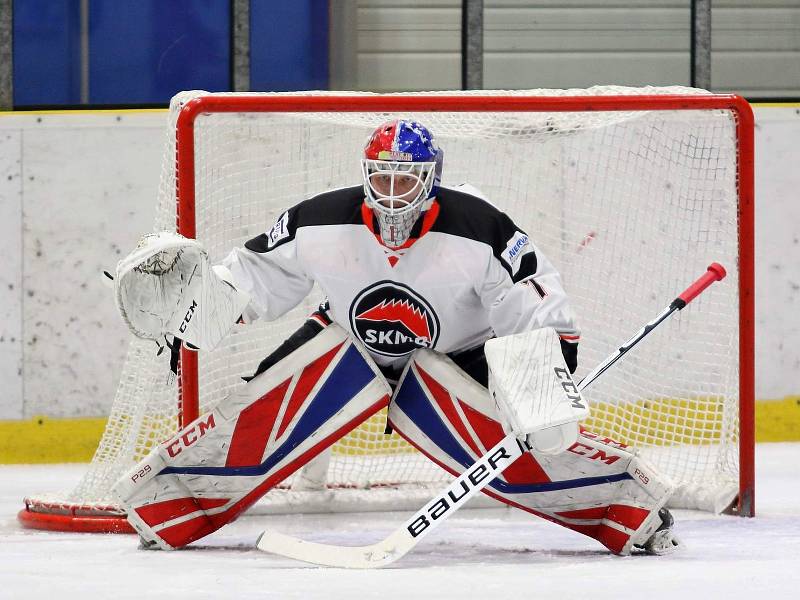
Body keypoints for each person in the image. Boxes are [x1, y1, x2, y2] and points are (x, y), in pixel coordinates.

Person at [114, 119, 679, 556]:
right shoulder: (320, 218)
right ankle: (167, 507)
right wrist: (207, 302)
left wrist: (544, 390)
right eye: (381, 178)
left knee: (529, 446)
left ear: (430, 177)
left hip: (455, 355)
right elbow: (257, 275)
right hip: (347, 343)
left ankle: (630, 510)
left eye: (404, 178)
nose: (391, 191)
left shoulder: (480, 225)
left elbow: (534, 299)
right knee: (253, 408)